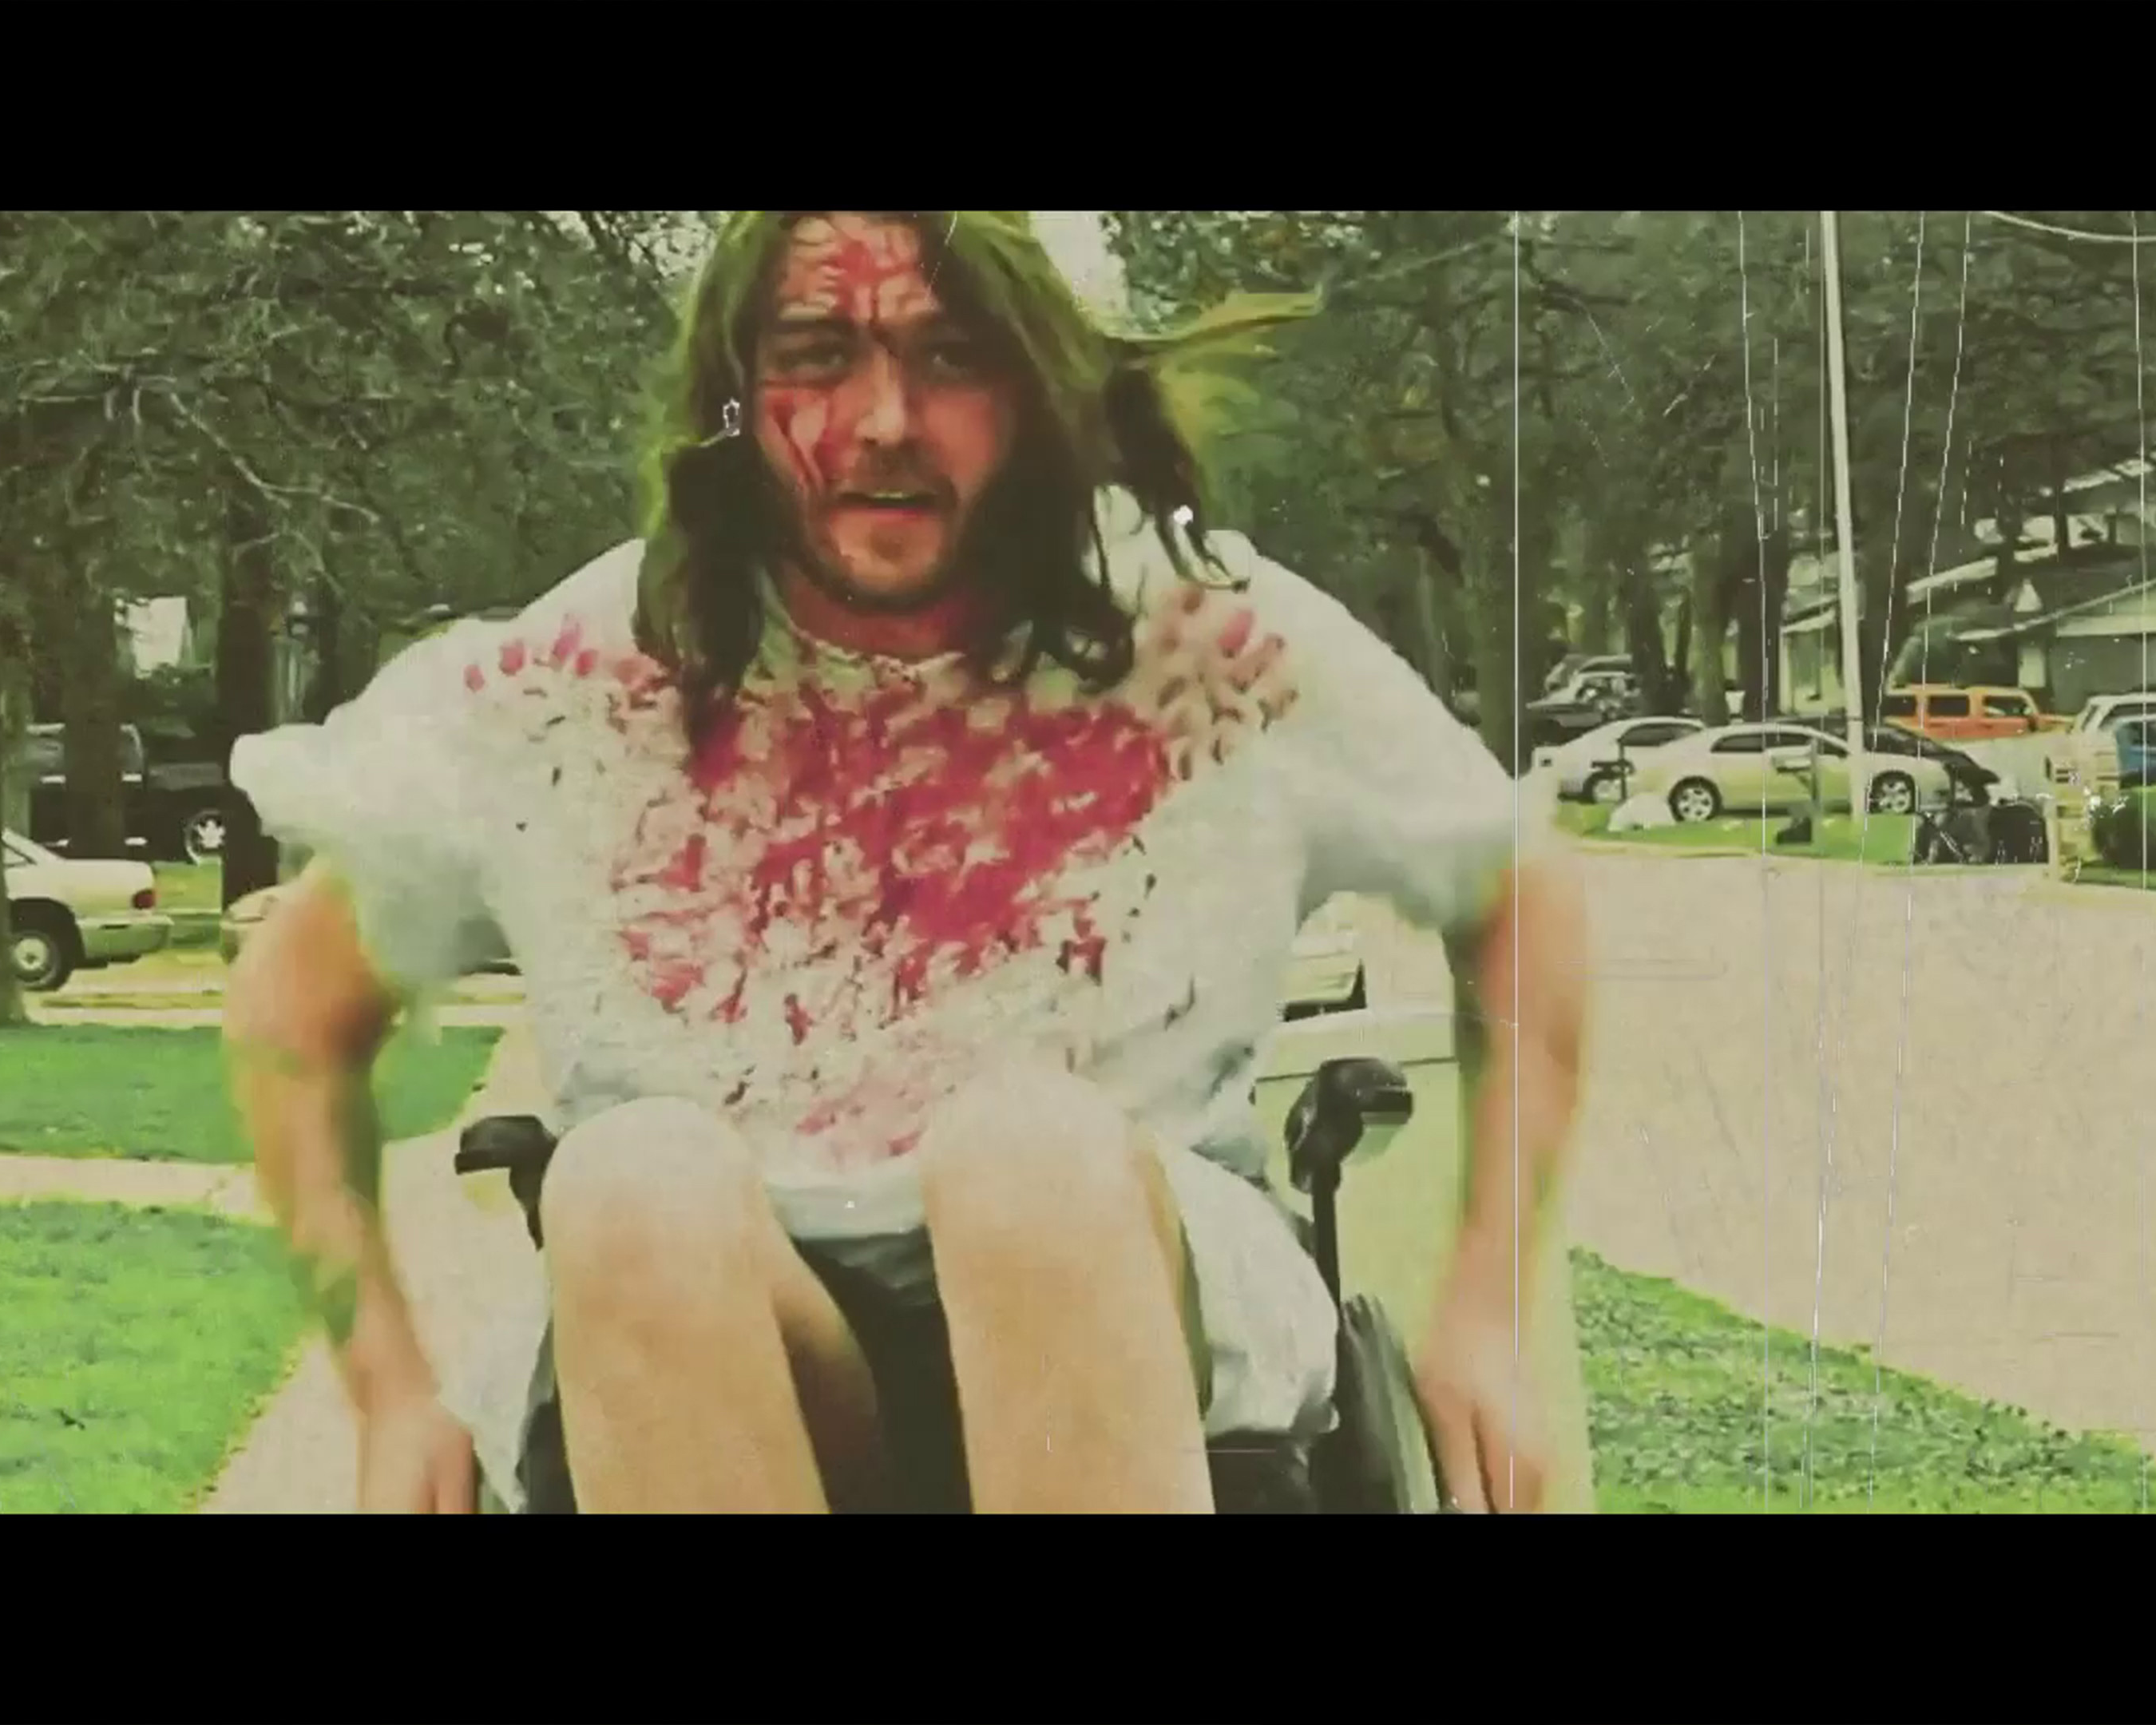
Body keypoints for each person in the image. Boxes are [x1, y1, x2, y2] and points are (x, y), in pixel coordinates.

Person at [224, 211, 1591, 1514]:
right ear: (735, 395)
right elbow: (292, 1008)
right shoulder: (580, 683)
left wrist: (1488, 1311)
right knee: (627, 1183)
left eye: (951, 356)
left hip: (1130, 1305)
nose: (884, 420)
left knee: (1024, 1157)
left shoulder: (1208, 648)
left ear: (1036, 386)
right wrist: (391, 1394)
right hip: (717, 1332)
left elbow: (1520, 897)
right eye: (818, 353)